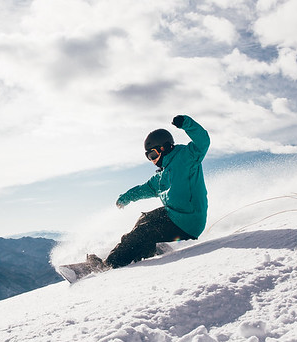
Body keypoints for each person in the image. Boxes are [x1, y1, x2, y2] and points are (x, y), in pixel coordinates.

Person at [89, 114, 210, 270]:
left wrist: (186, 123)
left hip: (189, 221)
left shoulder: (188, 157)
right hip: (174, 215)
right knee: (144, 219)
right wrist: (126, 198)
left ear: (164, 148)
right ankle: (145, 250)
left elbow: (203, 141)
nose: (152, 161)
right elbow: (144, 189)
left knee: (143, 231)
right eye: (148, 157)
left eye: (152, 155)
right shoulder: (161, 176)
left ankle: (109, 265)